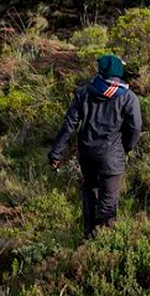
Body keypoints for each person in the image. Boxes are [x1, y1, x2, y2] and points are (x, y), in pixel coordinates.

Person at [48, 54, 143, 239]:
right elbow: (135, 127)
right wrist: (126, 147)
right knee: (108, 203)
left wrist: (56, 153)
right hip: (112, 157)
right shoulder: (128, 97)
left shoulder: (84, 92)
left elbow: (69, 125)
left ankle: (89, 235)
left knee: (90, 192)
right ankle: (104, 244)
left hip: (87, 155)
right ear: (118, 72)